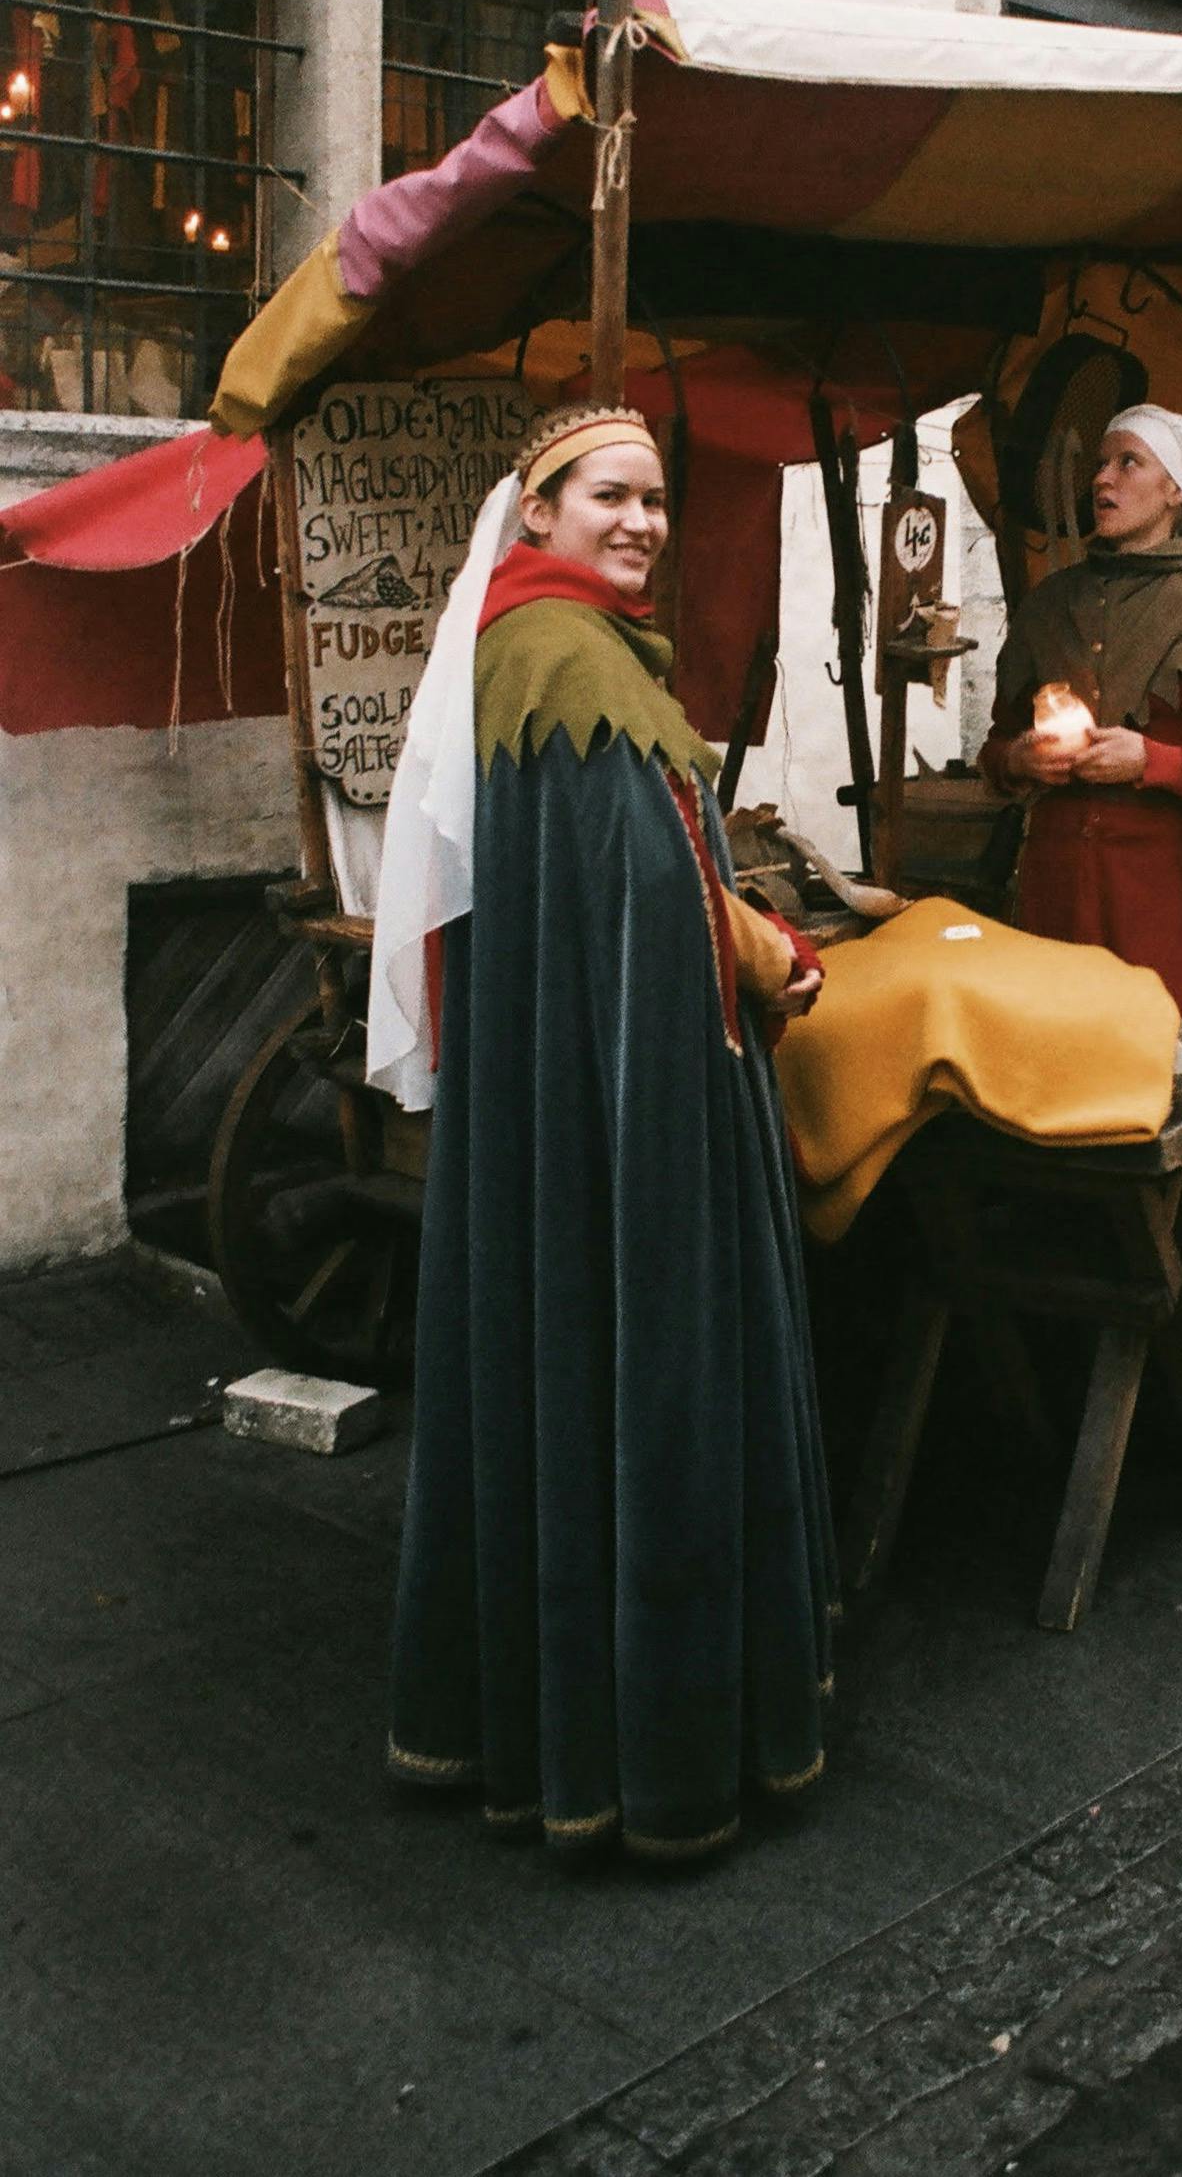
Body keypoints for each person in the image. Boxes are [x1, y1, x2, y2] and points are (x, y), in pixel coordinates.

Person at [367, 402, 837, 1861]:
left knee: (552, 1372)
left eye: (651, 500)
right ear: (538, 514)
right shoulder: (564, 658)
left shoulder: (539, 647)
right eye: (607, 498)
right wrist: (772, 958)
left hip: (574, 1081)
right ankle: (653, 1753)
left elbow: (635, 877)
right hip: (637, 1100)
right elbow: (646, 908)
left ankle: (530, 1727)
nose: (638, 522)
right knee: (644, 1377)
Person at [979, 406, 1182, 1471]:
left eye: (1127, 462)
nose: (1104, 477)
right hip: (1058, 909)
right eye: (1103, 460)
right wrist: (1018, 763)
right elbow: (993, 742)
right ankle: (1080, 1390)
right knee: (1067, 1134)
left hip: (1168, 913)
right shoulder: (1049, 605)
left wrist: (1159, 765)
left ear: (1174, 488)